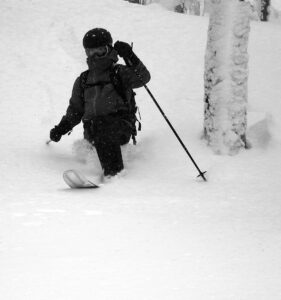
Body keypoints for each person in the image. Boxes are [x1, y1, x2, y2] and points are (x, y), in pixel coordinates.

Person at [49, 28, 151, 179]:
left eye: (100, 51)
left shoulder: (119, 73)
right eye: (91, 52)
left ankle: (114, 175)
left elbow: (143, 77)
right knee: (98, 125)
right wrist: (61, 128)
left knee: (104, 124)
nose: (95, 56)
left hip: (120, 128)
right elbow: (76, 111)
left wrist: (130, 56)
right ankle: (103, 169)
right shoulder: (83, 80)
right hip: (93, 133)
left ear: (109, 50)